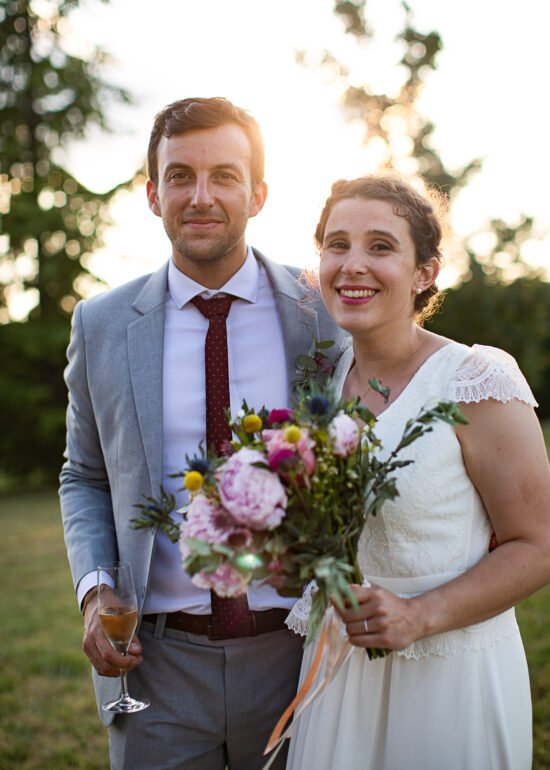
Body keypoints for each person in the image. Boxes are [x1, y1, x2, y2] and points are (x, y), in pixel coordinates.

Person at [59, 96, 346, 770]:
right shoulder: (99, 325)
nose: (201, 196)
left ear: (259, 192)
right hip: (155, 668)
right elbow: (85, 474)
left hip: (300, 654)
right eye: (180, 176)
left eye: (224, 175)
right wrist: (96, 592)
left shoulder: (323, 313)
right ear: (153, 194)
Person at [285, 174, 550, 770]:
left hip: (446, 673)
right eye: (337, 244)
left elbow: (540, 544)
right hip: (339, 672)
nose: (353, 265)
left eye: (380, 246)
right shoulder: (320, 385)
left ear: (425, 272)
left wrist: (418, 616)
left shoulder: (475, 380)